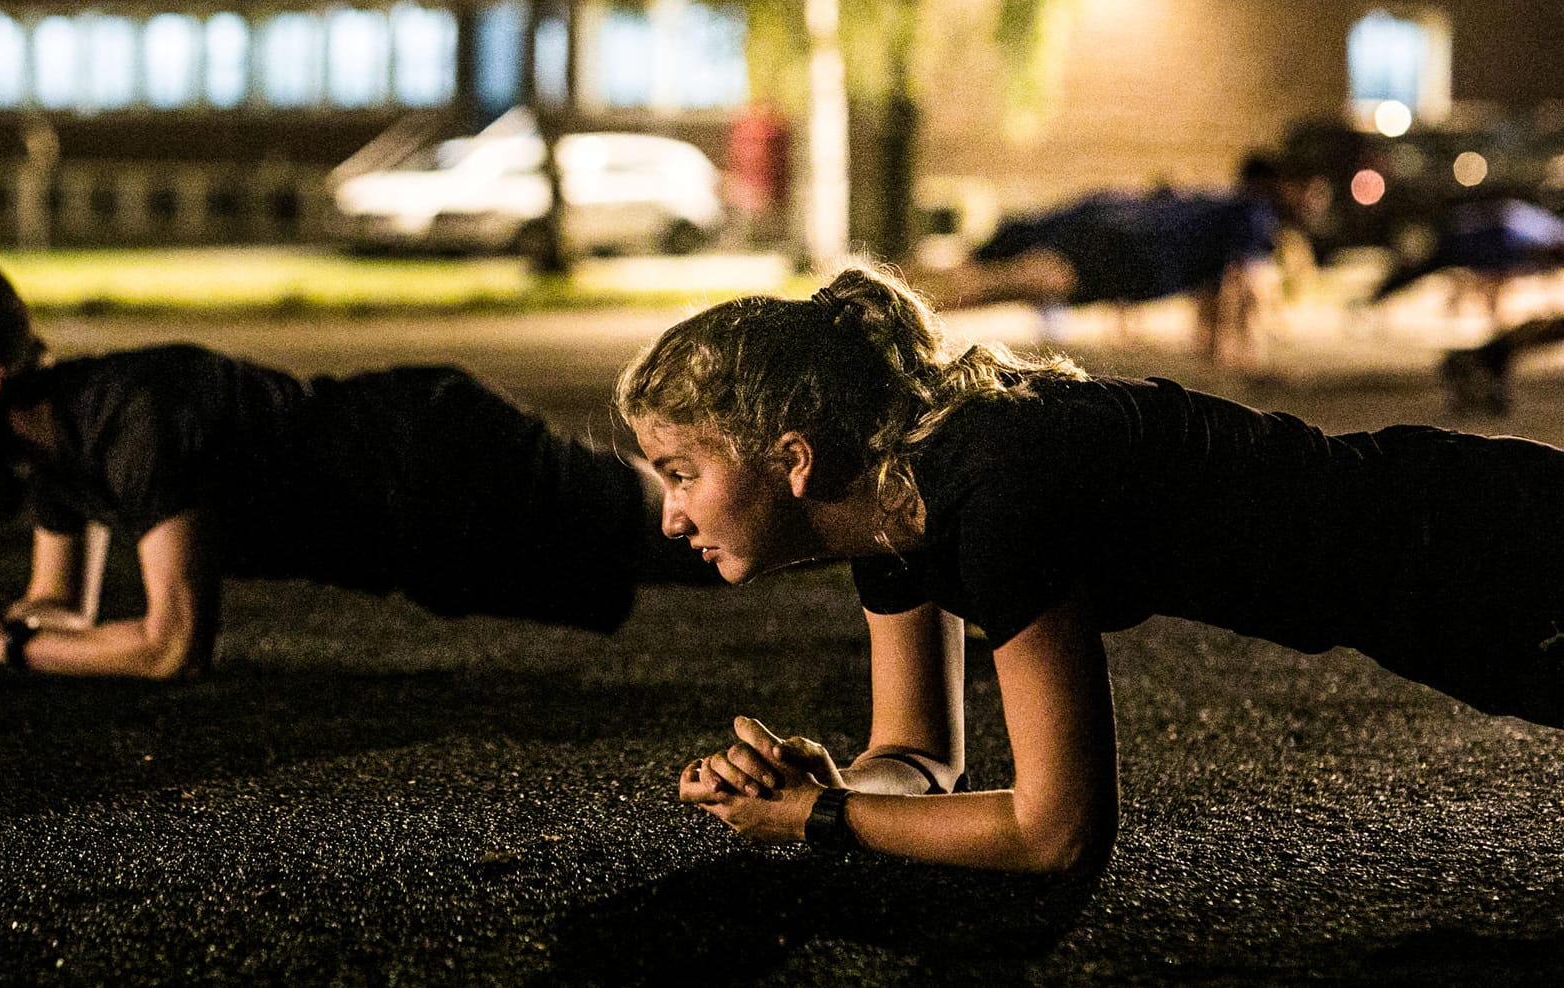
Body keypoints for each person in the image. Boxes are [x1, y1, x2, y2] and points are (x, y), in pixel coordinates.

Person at [615, 262, 1564, 872]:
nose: (669, 516)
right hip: (1447, 594)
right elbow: (918, 761)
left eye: (682, 473)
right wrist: (839, 789)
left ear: (793, 458)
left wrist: (820, 820)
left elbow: (1055, 832)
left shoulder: (991, 491)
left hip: (1503, 548)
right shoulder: (888, 506)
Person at [0, 255, 704, 679]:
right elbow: (58, 605)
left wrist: (8, 649)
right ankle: (787, 516)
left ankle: (805, 503)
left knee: (685, 534)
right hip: (405, 538)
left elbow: (173, 650)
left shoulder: (132, 419)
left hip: (436, 462)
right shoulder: (51, 444)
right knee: (675, 557)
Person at [911, 155, 1326, 370]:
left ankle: (892, 292)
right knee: (1004, 284)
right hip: (1122, 249)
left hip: (1113, 228)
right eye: (1310, 195)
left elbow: (1214, 291)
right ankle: (901, 311)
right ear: (1287, 185)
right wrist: (1246, 357)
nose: (1314, 208)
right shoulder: (1256, 216)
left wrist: (1217, 345)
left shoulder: (1229, 205)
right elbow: (1244, 285)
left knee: (991, 274)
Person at [1369, 198, 1564, 416]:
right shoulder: (1522, 237)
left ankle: (1485, 356)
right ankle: (1485, 357)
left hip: (1471, 237)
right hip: (1469, 239)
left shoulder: (1531, 232)